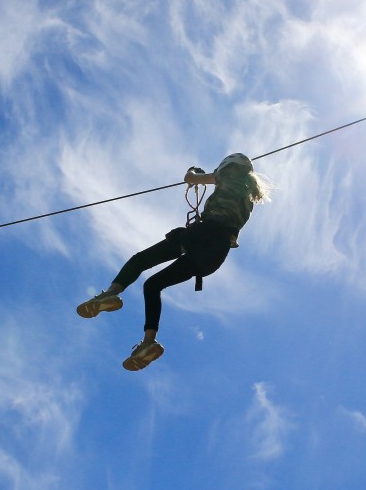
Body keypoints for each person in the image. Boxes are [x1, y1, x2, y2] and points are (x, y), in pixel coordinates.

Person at [76, 153, 271, 371]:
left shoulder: (226, 176)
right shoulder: (249, 196)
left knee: (141, 260)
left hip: (204, 235)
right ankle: (148, 344)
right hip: (215, 255)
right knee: (153, 285)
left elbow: (191, 178)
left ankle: (111, 292)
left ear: (228, 166)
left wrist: (193, 172)